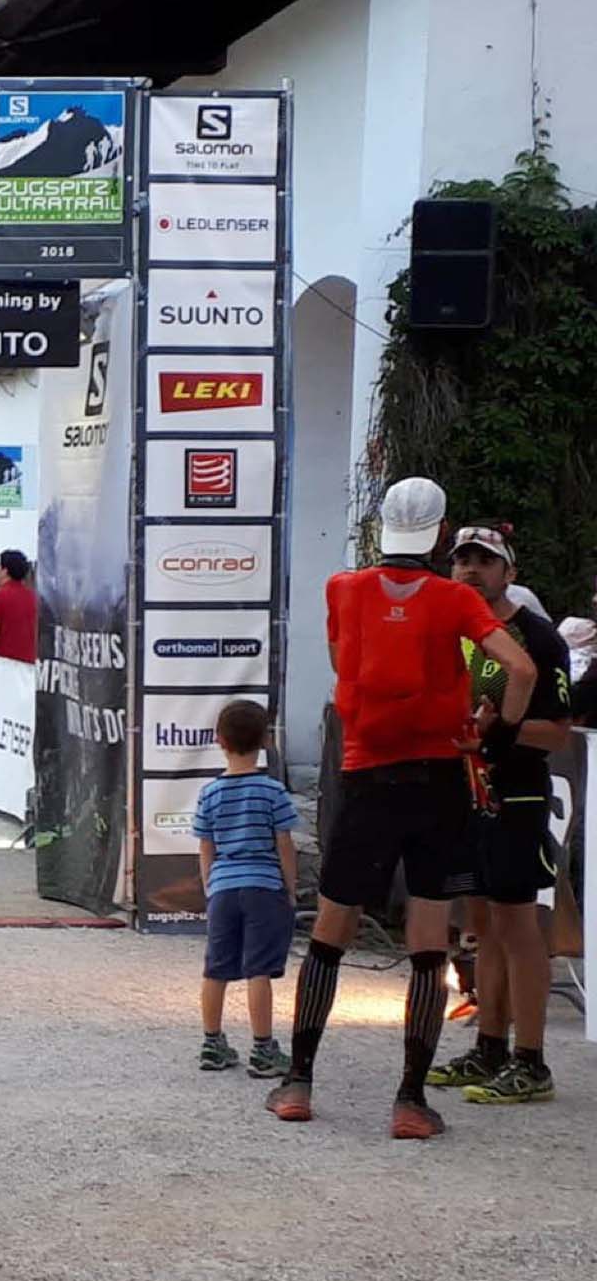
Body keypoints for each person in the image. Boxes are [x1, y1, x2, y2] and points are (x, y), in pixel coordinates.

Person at [268, 478, 537, 1138]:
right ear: (441, 534)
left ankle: (298, 1082)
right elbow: (522, 670)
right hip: (438, 778)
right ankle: (410, 1100)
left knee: (330, 932)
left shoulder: (344, 589)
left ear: (381, 527)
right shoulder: (455, 599)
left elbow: (343, 663)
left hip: (366, 774)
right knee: (427, 939)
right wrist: (494, 734)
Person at [424, 524, 572, 1105]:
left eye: (484, 561)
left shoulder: (536, 636)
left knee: (518, 926)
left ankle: (531, 1061)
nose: (470, 569)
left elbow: (556, 733)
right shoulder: (448, 629)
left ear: (509, 572)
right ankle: (489, 1047)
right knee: (481, 926)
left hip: (517, 792)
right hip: (461, 793)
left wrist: (497, 733)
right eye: (461, 559)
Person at [193, 700, 299, 1079]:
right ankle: (263, 1048)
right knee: (259, 969)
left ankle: (211, 1042)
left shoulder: (209, 793)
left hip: (223, 889)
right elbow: (284, 844)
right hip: (263, 887)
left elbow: (206, 846)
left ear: (219, 741)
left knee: (215, 968)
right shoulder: (273, 791)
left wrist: (210, 887)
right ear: (266, 741)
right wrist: (290, 889)